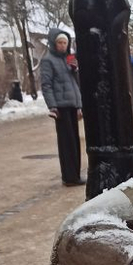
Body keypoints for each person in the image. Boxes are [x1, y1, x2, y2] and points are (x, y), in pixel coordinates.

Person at [40, 28, 83, 186]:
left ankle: (75, 174)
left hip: (72, 105)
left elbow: (75, 84)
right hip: (60, 107)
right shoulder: (48, 60)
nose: (63, 45)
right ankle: (69, 177)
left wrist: (75, 70)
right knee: (67, 142)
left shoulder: (69, 59)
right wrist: (52, 106)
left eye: (65, 42)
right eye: (60, 42)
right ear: (54, 43)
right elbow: (46, 85)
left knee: (75, 142)